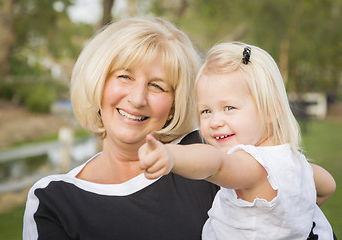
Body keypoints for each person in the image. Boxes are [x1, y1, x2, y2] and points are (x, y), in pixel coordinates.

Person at [22, 17, 219, 240]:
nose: (137, 99)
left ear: (175, 104)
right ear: (98, 83)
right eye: (125, 77)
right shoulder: (53, 201)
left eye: (157, 86)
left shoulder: (206, 156)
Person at [139, 42, 336, 239]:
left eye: (229, 108)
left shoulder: (254, 167)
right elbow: (328, 186)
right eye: (206, 111)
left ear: (270, 109)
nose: (215, 121)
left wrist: (172, 155)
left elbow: (216, 164)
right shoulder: (298, 165)